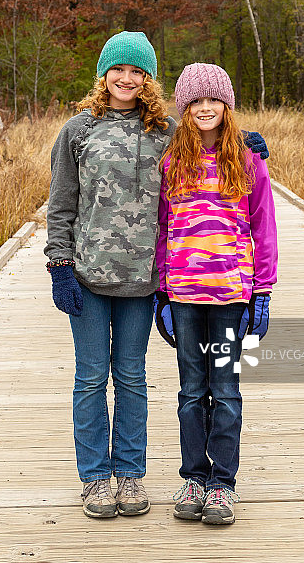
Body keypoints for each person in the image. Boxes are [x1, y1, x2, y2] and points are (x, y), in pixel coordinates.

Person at [45, 34, 269, 520]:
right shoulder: (78, 130)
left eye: (137, 71)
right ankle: (95, 479)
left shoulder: (164, 129)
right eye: (117, 69)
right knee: (89, 379)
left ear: (148, 79)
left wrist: (245, 142)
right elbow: (61, 204)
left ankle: (129, 473)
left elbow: (207, 132)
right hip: (87, 276)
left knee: (131, 377)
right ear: (103, 73)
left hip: (145, 280)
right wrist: (60, 265)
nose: (126, 79)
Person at [154, 62, 278, 526]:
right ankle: (194, 478)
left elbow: (264, 227)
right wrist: (161, 295)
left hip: (231, 296)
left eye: (214, 101)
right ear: (184, 110)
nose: (205, 109)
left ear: (227, 107)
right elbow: (164, 230)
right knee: (191, 391)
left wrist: (262, 293)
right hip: (184, 295)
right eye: (195, 102)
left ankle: (223, 485)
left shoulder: (248, 161)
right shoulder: (172, 163)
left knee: (225, 391)